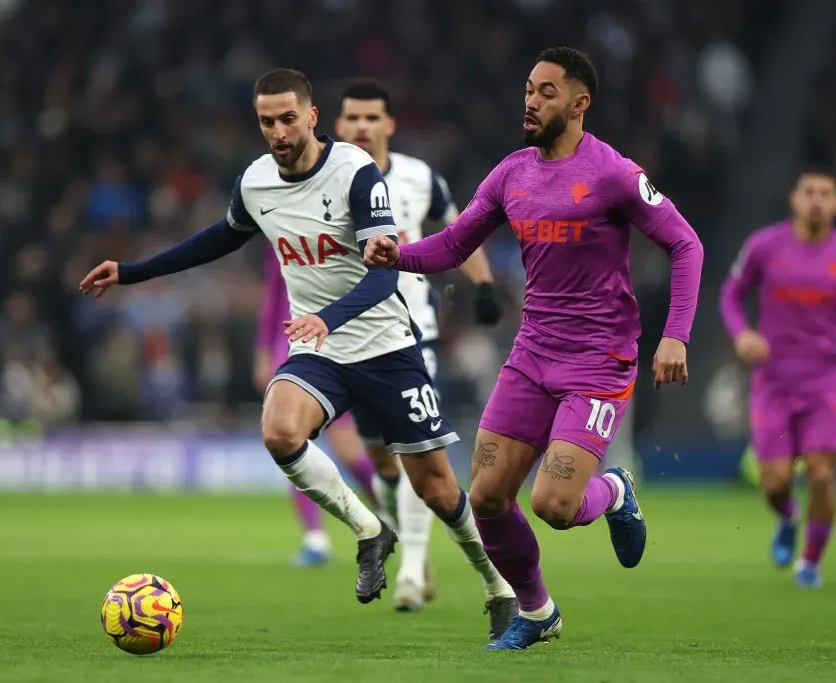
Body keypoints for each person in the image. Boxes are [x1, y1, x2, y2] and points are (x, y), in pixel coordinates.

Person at [79, 68, 518, 639]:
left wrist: (325, 317)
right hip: (322, 351)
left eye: (289, 118)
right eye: (267, 122)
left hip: (387, 346)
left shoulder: (356, 173)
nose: (279, 131)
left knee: (436, 487)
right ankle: (369, 532)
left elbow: (384, 278)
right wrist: (133, 273)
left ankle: (498, 584)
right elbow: (217, 238)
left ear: (312, 117)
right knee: (280, 432)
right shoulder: (256, 181)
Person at [364, 47, 704, 649]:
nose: (531, 99)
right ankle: (538, 612)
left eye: (546, 91)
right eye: (528, 88)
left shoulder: (614, 173)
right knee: (489, 496)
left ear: (580, 103)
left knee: (552, 503)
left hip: (599, 360)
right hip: (531, 354)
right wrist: (401, 254)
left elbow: (686, 244)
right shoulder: (510, 173)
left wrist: (675, 333)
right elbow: (452, 244)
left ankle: (617, 491)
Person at [334, 79, 503, 611]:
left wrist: (484, 285)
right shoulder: (325, 179)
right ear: (338, 126)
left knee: (416, 455)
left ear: (389, 124)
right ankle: (414, 549)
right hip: (350, 339)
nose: (362, 126)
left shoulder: (418, 177)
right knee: (385, 464)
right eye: (353, 118)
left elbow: (459, 233)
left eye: (372, 117)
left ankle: (409, 573)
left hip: (411, 334)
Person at [719, 168, 836, 589]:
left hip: (825, 379)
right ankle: (788, 516)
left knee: (823, 473)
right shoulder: (764, 246)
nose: (816, 200)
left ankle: (810, 563)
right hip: (772, 381)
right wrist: (742, 333)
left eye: (826, 193)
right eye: (809, 191)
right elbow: (731, 295)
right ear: (794, 198)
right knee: (774, 483)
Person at [253, 242, 385, 568]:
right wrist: (264, 349)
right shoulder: (279, 226)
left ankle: (387, 515)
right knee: (292, 444)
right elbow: (274, 291)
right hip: (292, 346)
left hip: (335, 344)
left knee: (349, 451)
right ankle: (315, 538)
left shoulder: (346, 220)